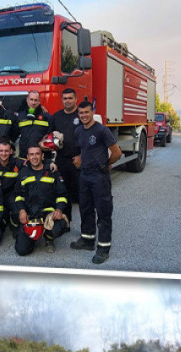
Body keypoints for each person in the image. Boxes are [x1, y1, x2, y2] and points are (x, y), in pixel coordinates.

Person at [70, 99, 122, 264]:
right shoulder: (78, 131)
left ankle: (103, 248)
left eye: (87, 112)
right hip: (84, 175)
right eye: (81, 113)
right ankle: (87, 240)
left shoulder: (102, 130)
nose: (84, 115)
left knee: (103, 212)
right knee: (85, 209)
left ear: (92, 112)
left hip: (99, 177)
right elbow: (84, 149)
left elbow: (117, 152)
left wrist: (106, 164)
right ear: (78, 114)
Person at [13, 145, 70, 256]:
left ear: (42, 156)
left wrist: (59, 209)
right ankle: (33, 236)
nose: (35, 157)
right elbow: (18, 195)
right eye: (32, 154)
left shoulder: (52, 171)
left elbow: (62, 194)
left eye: (37, 154)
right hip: (30, 215)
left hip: (48, 214)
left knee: (59, 227)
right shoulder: (23, 173)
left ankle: (48, 238)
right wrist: (21, 211)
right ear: (28, 157)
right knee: (22, 250)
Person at [0, 138, 26, 237]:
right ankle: (3, 221)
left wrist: (50, 163)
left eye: (6, 151)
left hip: (10, 194)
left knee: (17, 211)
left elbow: (34, 160)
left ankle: (14, 227)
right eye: (1, 151)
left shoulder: (17, 162)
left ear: (11, 151)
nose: (4, 154)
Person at [51, 88, 82, 203]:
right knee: (64, 194)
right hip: (61, 161)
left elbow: (89, 138)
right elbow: (50, 136)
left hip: (77, 161)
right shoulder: (56, 116)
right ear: (62, 100)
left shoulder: (82, 115)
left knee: (81, 196)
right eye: (65, 98)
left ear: (75, 99)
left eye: (70, 98)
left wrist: (81, 156)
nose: (67, 101)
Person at [16, 90, 52, 162]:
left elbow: (51, 134)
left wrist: (44, 141)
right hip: (24, 158)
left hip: (42, 159)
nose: (33, 103)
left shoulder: (47, 117)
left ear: (39, 101)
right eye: (31, 99)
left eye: (36, 100)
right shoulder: (20, 116)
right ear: (27, 100)